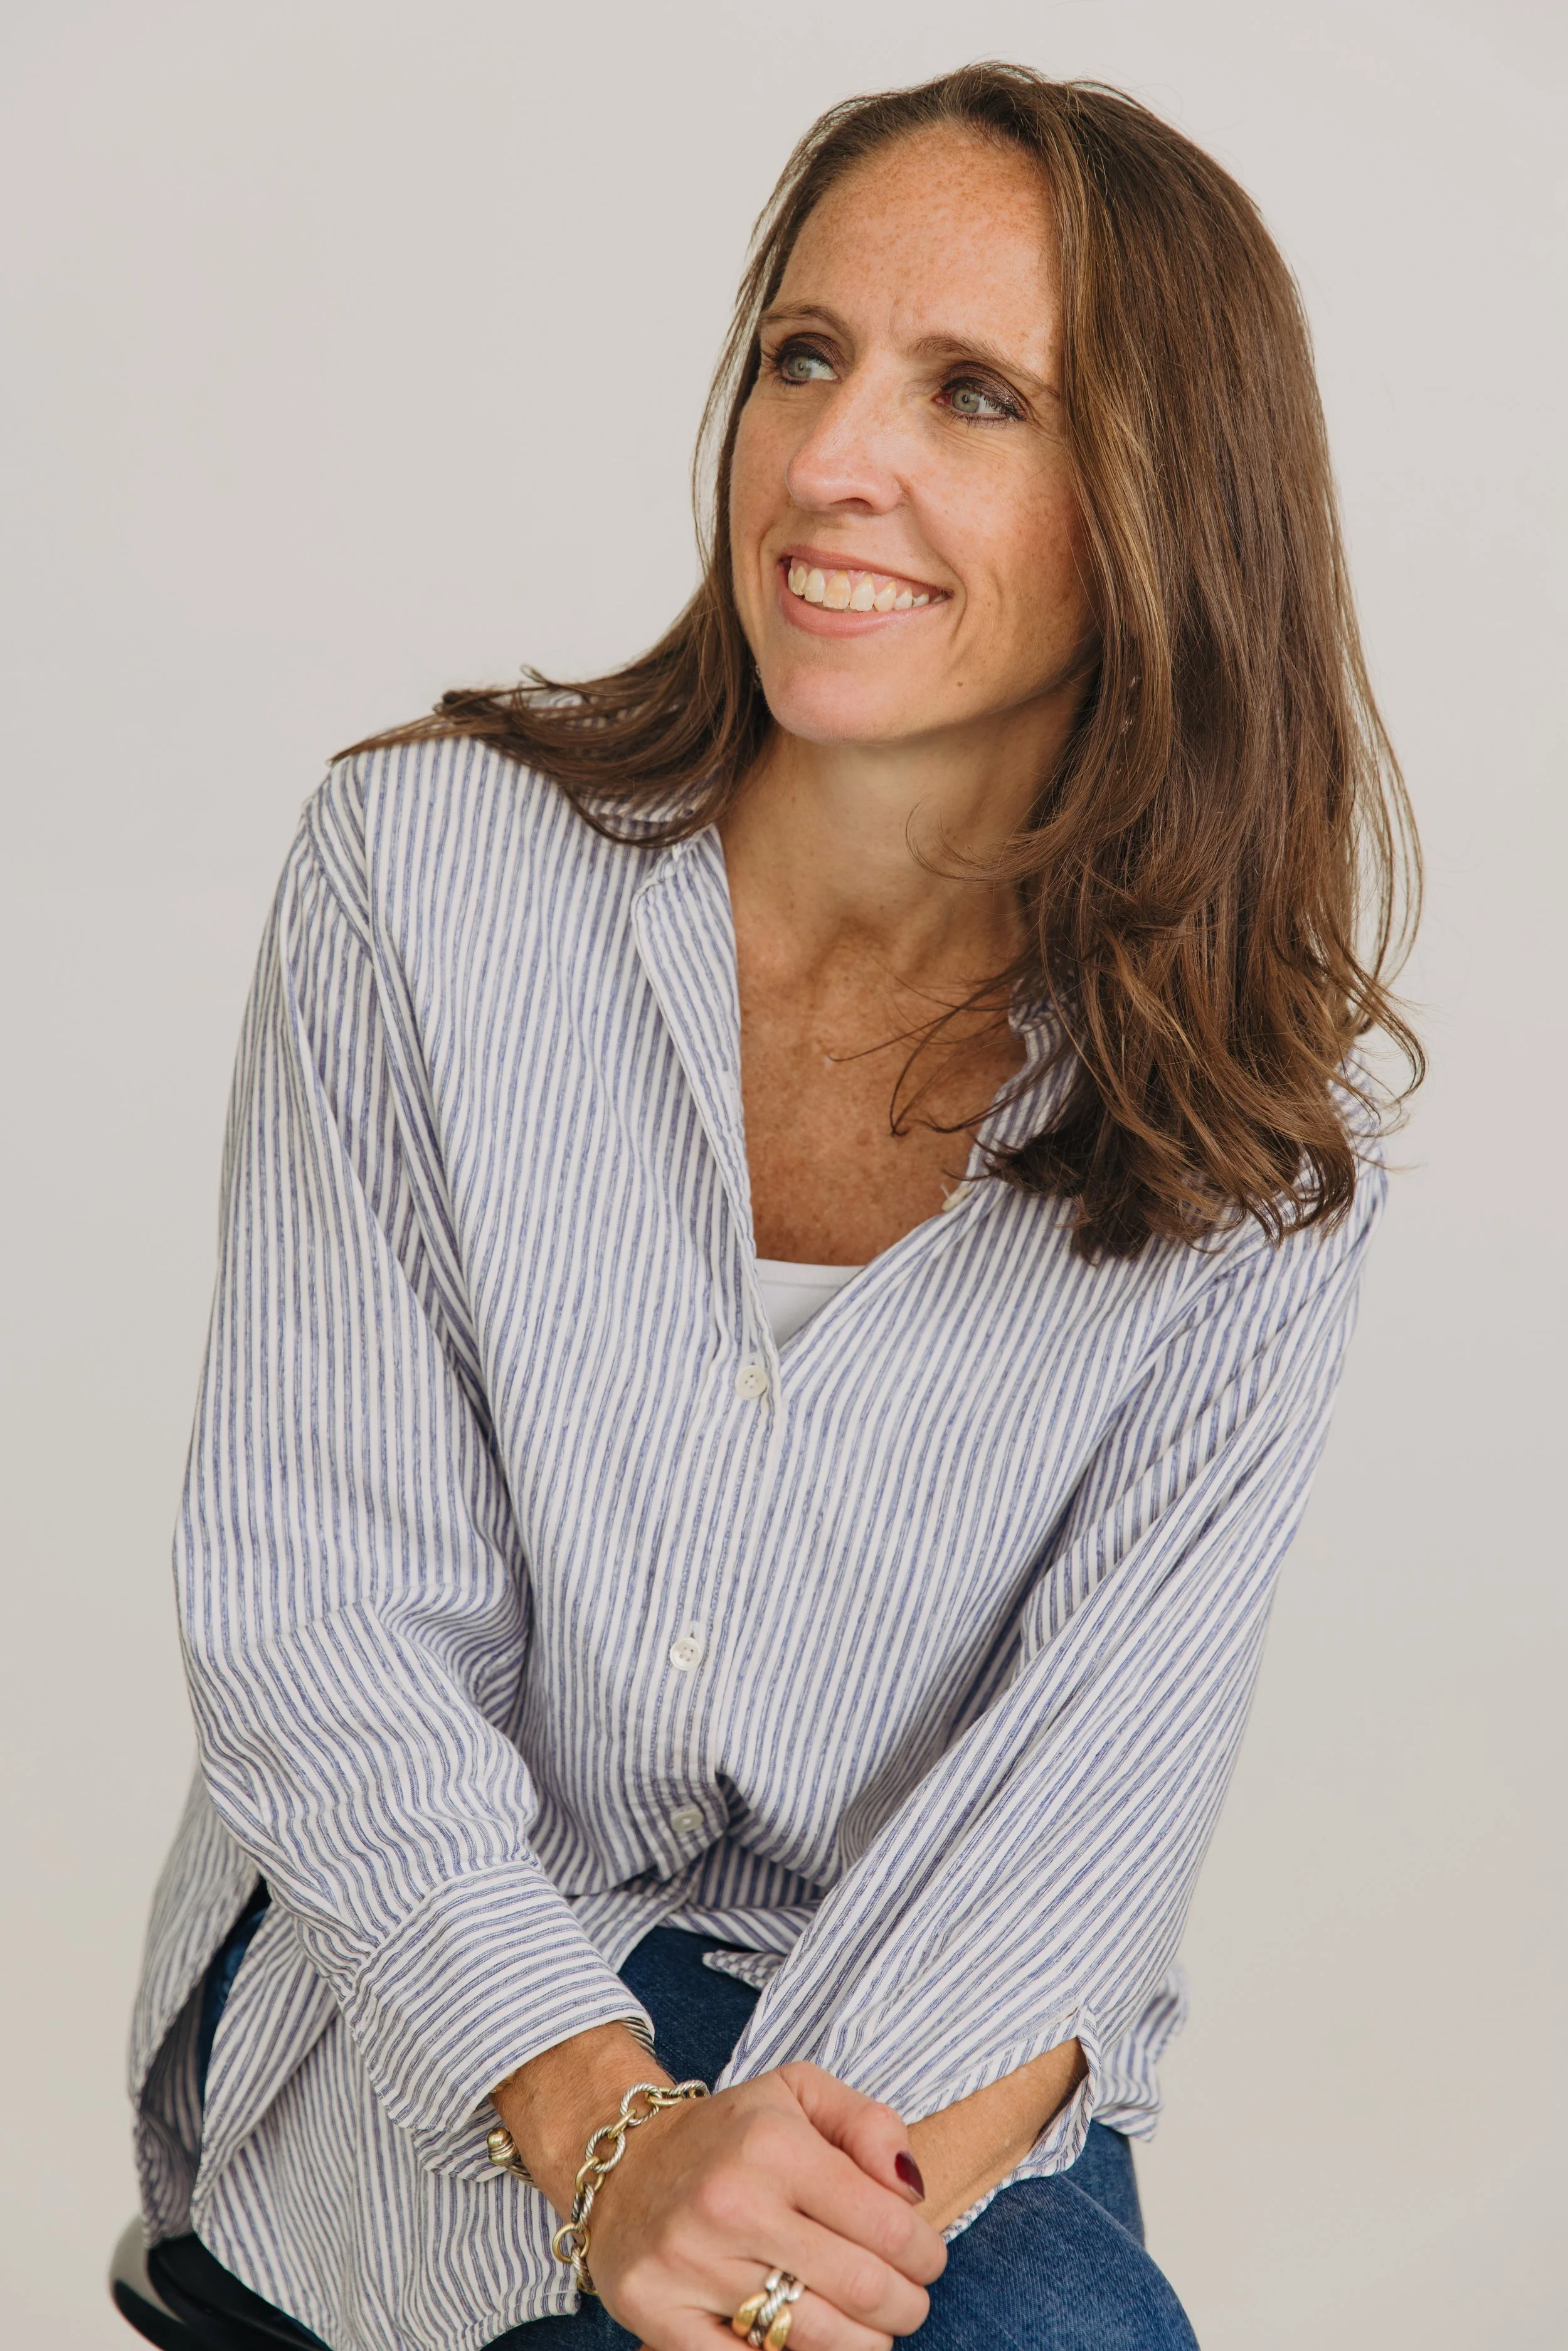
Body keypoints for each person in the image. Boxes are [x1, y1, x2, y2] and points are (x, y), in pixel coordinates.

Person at [118, 61, 1421, 2351]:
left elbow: (1063, 1848)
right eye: (802, 356)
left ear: (1161, 513)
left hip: (925, 2070)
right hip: (430, 2018)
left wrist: (749, 2258)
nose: (834, 459)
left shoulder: (1255, 1164)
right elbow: (324, 1621)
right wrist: (619, 2134)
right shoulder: (425, 889)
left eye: (975, 394)